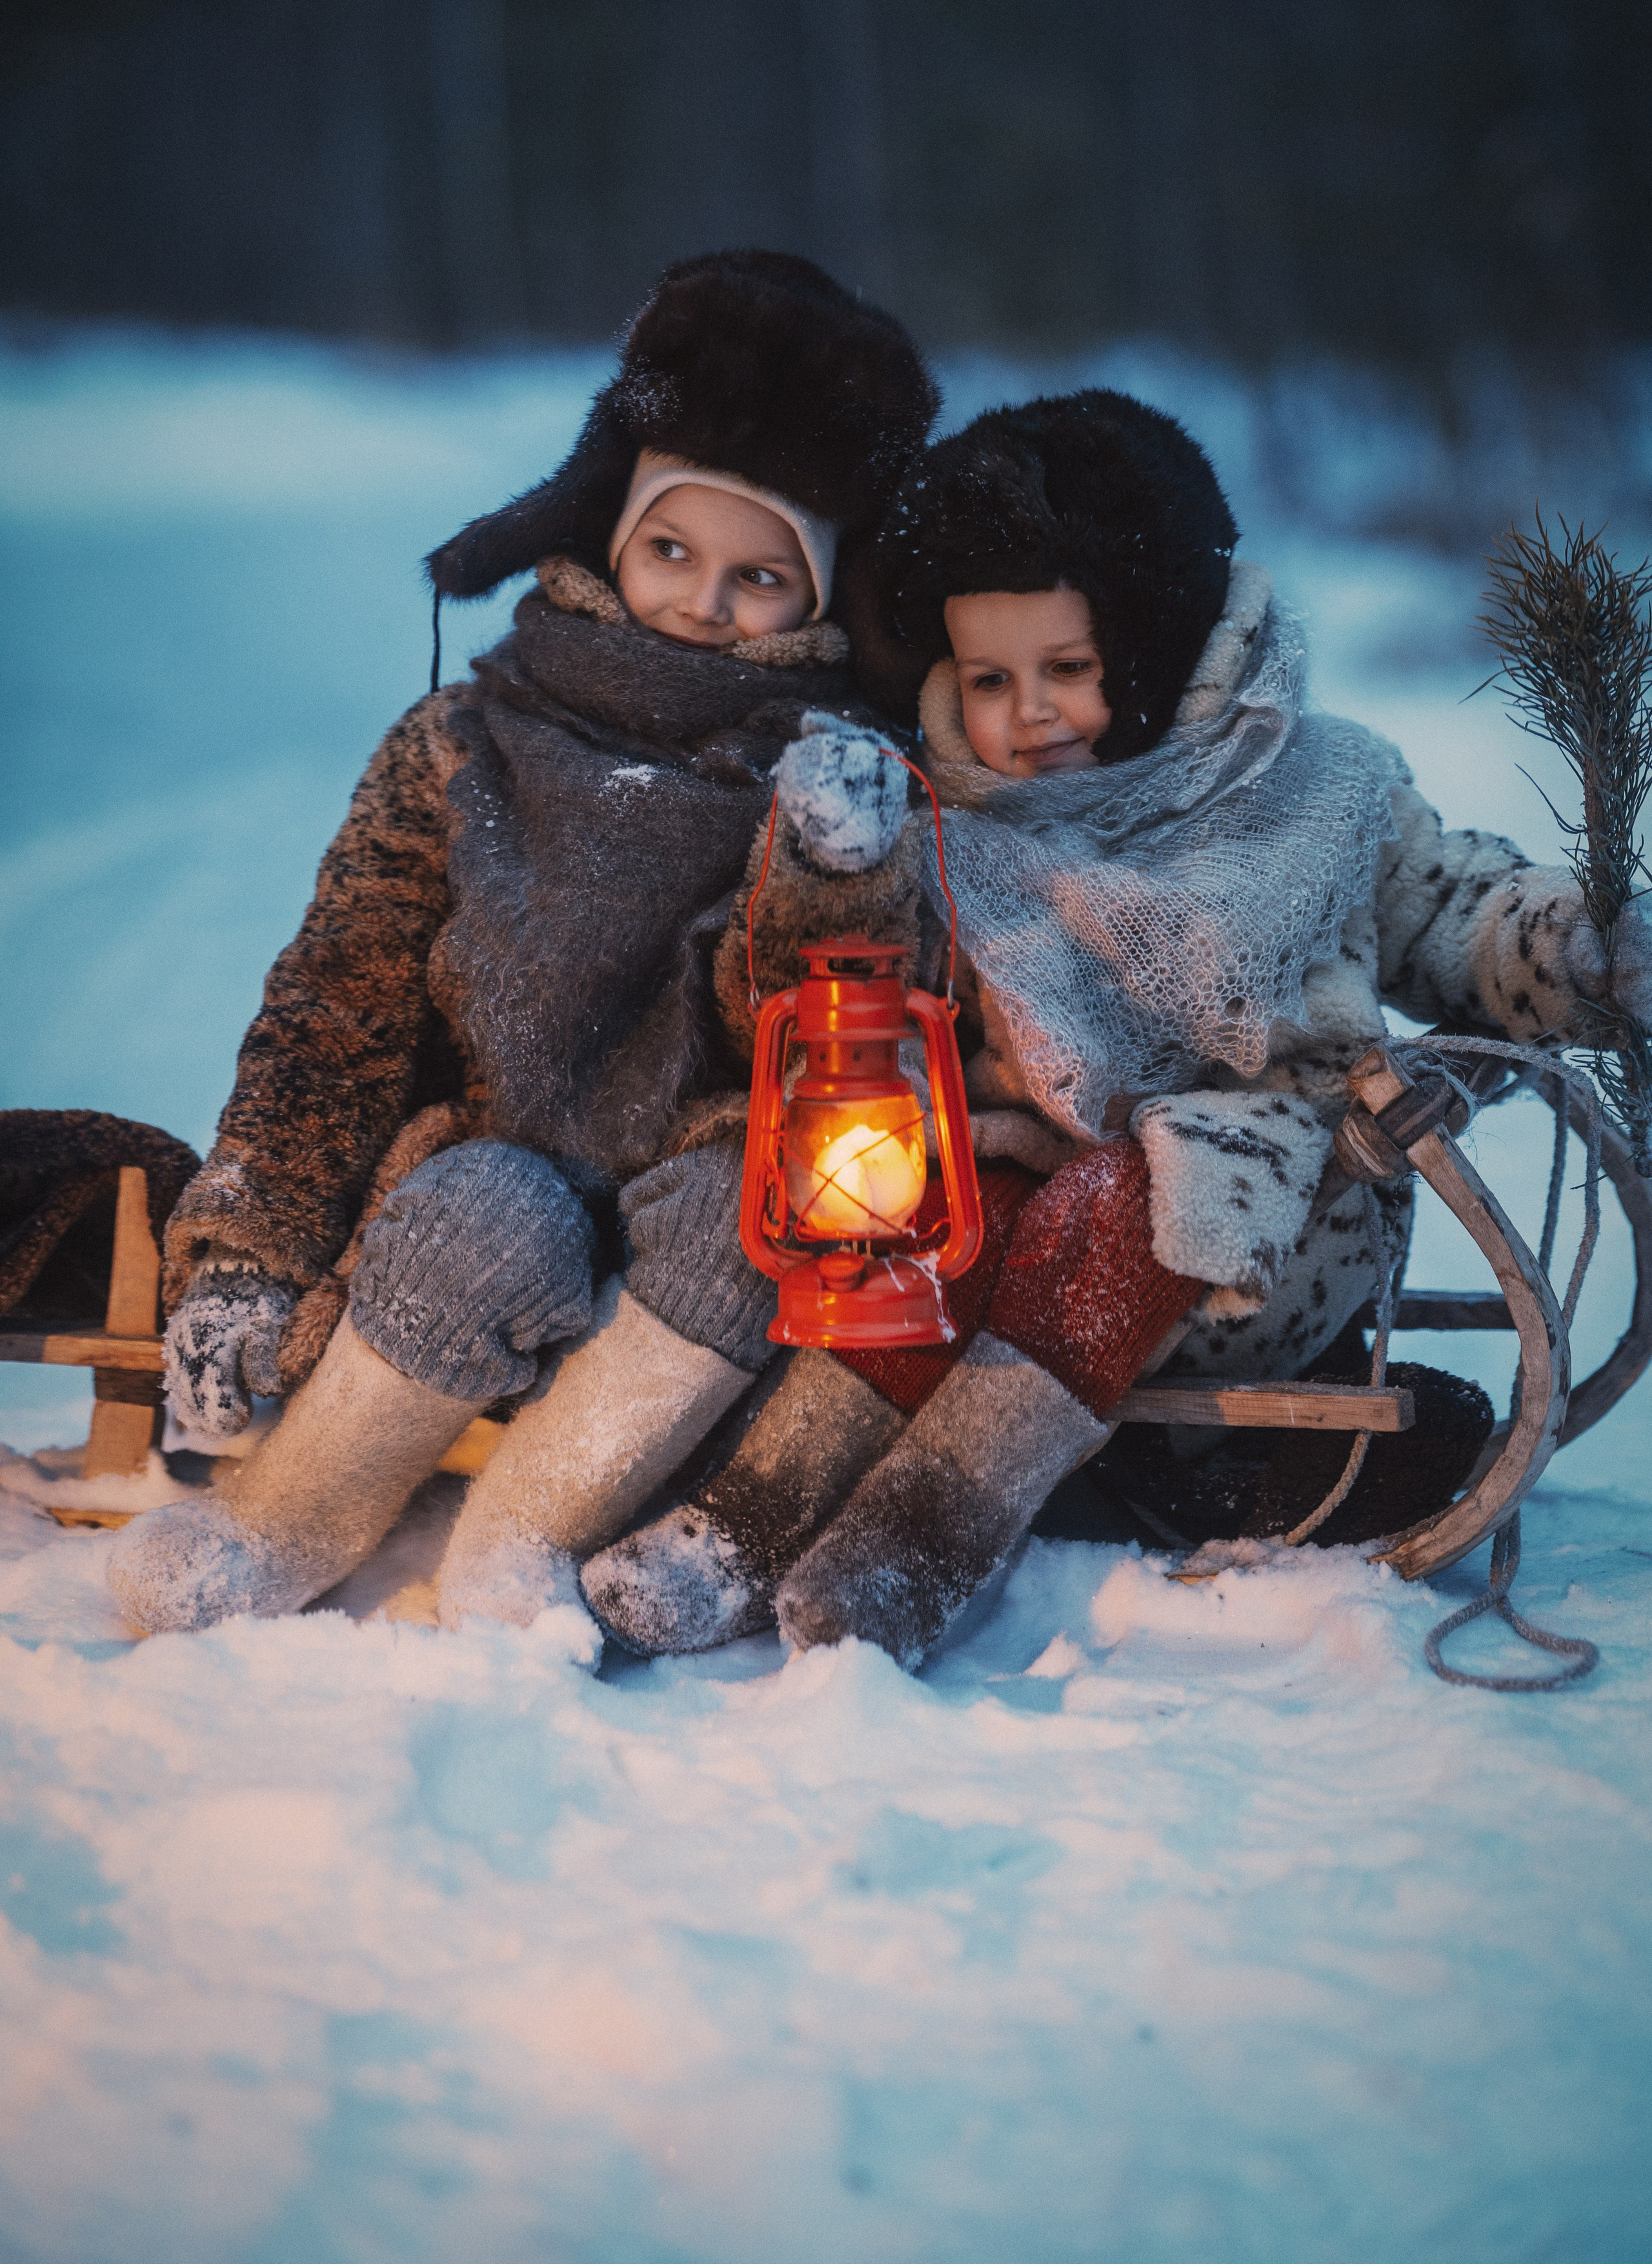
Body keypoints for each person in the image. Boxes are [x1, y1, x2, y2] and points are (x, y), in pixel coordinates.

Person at [585, 387, 1652, 1668]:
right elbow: (824, 996)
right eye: (987, 678)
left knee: (1115, 1203)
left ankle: (918, 1544)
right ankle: (743, 1526)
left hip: (1268, 1210)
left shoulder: (1319, 792)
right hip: (998, 1204)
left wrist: (1562, 944)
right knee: (925, 1228)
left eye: (1068, 669)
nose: (1025, 712)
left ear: (1147, 647)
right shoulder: (951, 821)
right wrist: (839, 864)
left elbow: (1452, 908)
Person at [106, 251, 937, 1637]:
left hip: (699, 1197)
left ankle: (520, 1544)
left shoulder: (842, 775)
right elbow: (337, 1009)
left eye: (759, 577)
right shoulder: (464, 747)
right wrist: (248, 1251)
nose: (699, 600)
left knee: (752, 1220)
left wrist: (838, 866)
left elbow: (838, 1016)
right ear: (609, 529)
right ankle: (289, 1521)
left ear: (827, 602)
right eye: (669, 548)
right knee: (476, 1215)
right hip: (495, 1167)